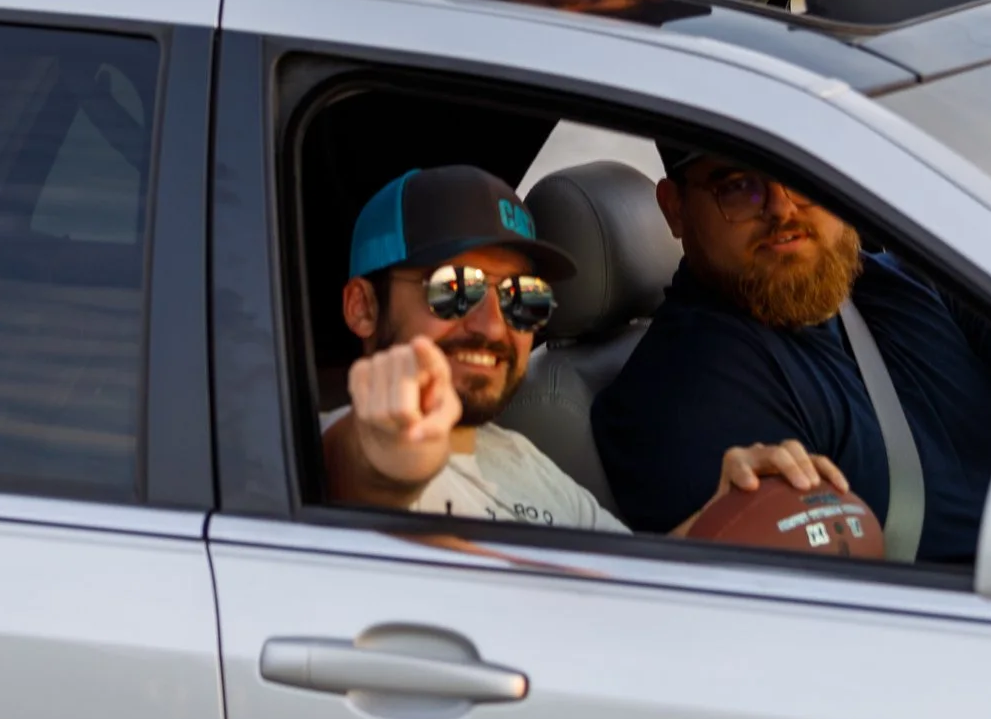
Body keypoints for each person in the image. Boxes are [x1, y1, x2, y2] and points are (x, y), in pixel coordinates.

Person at [591, 151, 991, 564]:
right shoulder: (686, 388)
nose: (783, 208)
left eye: (801, 171)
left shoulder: (902, 279)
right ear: (675, 209)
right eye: (738, 186)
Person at [324, 165, 846, 531]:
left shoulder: (518, 457)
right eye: (455, 288)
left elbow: (618, 588)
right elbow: (357, 471)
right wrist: (385, 460)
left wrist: (731, 510)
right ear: (362, 308)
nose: (492, 323)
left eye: (520, 297)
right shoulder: (322, 450)